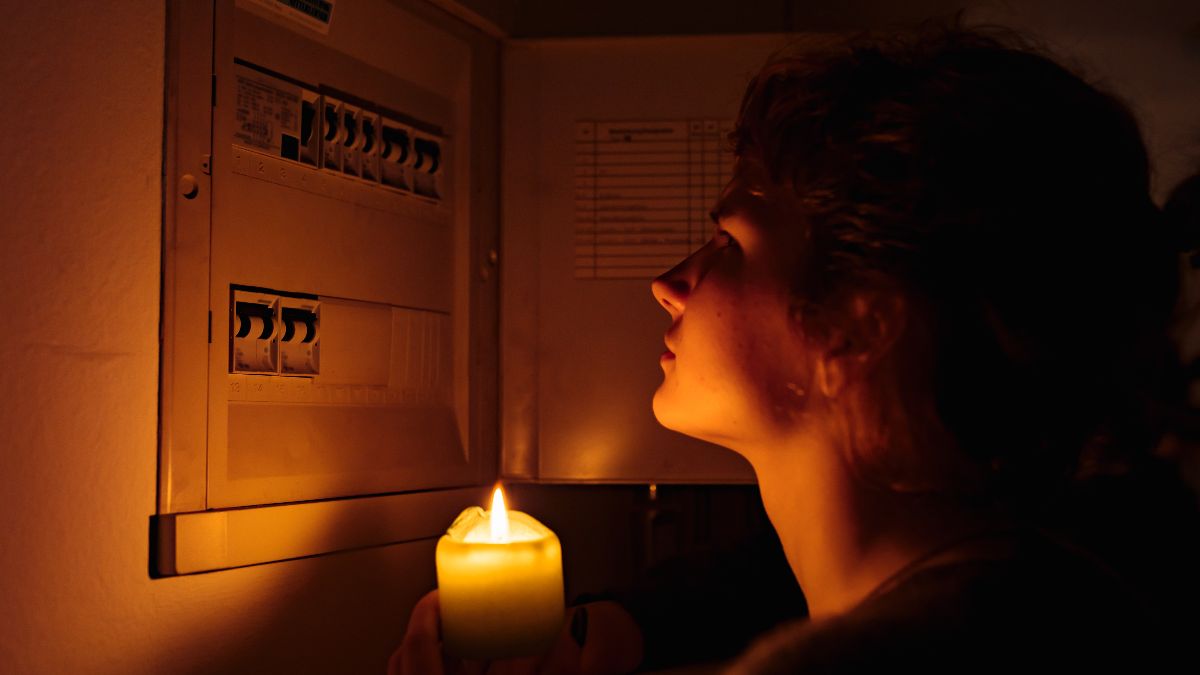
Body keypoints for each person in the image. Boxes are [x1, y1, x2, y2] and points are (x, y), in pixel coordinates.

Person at [392, 25, 1193, 674]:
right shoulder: (1046, 596)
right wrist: (620, 626)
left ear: (859, 324)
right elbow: (755, 586)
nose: (670, 283)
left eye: (726, 240)